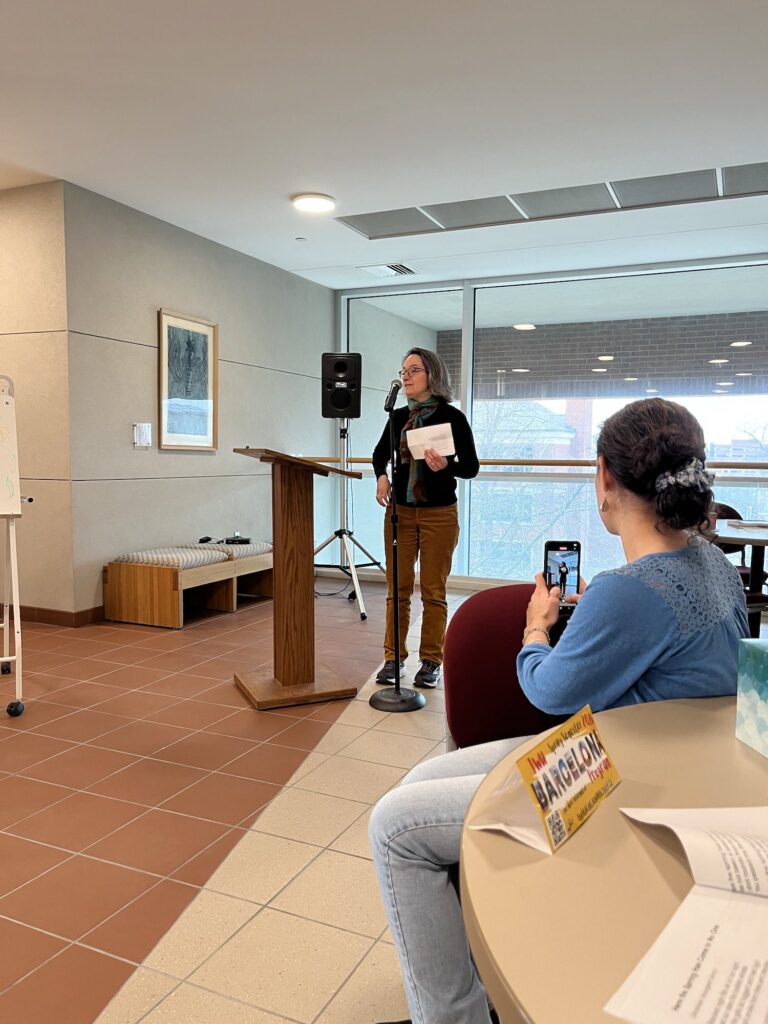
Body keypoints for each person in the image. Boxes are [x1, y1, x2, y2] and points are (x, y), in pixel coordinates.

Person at [369, 398, 749, 1024]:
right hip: (674, 766)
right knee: (420, 781)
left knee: (395, 827)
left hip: (605, 778)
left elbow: (547, 692)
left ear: (605, 477)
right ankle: (469, 964)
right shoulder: (713, 561)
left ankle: (453, 1016)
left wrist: (536, 629)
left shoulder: (628, 590)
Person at [373, 348, 479, 688]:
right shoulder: (398, 416)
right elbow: (379, 455)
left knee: (433, 590)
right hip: (400, 512)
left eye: (413, 370)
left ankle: (431, 661)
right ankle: (393, 659)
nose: (405, 376)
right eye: (403, 370)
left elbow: (471, 467)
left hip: (439, 514)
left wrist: (447, 465)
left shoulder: (452, 417)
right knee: (397, 589)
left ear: (432, 375)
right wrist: (381, 476)